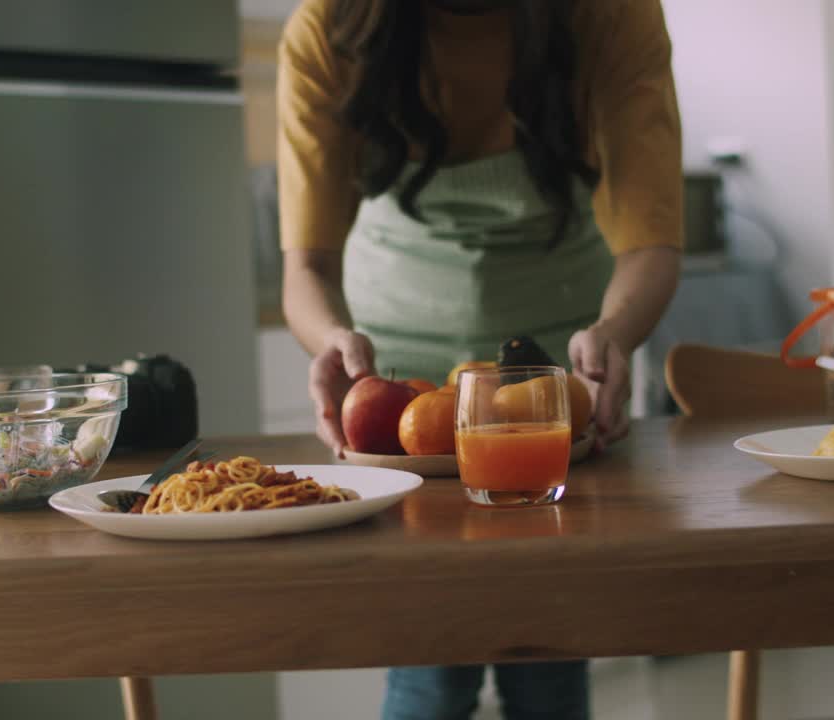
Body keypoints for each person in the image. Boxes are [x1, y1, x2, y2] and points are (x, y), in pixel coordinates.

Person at [277, 0, 682, 717]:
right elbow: (306, 262)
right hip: (397, 382)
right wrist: (332, 339)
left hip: (561, 367)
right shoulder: (330, 22)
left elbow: (651, 238)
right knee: (429, 666)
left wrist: (613, 334)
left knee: (549, 653)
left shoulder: (612, 13)